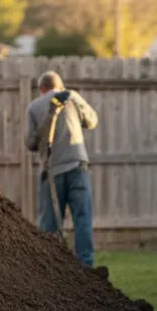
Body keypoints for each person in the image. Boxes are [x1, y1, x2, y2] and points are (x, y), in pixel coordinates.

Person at [25, 71, 99, 267]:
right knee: (82, 219)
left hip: (51, 172)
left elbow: (30, 143)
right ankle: (86, 267)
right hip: (78, 166)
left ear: (40, 89)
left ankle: (52, 270)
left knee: (49, 225)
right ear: (60, 86)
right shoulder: (72, 97)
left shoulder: (34, 107)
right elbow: (92, 121)